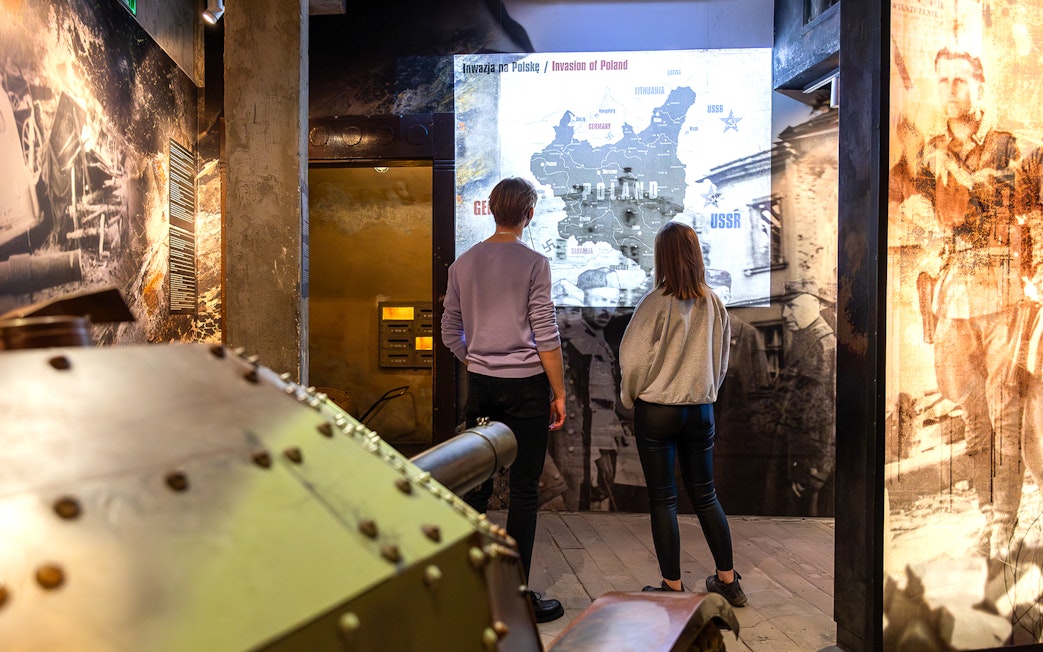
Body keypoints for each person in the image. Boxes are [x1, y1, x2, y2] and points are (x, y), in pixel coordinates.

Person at [895, 46, 1024, 561]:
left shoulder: (1007, 147)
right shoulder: (929, 151)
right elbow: (911, 203)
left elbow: (1018, 209)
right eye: (944, 80)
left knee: (1006, 411)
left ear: (980, 86)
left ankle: (1002, 523)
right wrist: (918, 206)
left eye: (961, 80)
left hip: (1002, 292)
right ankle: (984, 512)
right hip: (955, 299)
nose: (952, 89)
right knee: (974, 416)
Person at [440, 176, 567, 623]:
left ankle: (472, 590)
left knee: (477, 487)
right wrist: (559, 391)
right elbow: (545, 332)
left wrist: (475, 357)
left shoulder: (463, 263)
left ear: (492, 211)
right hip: (528, 386)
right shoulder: (535, 263)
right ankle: (515, 596)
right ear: (529, 214)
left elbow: (448, 330)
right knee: (524, 491)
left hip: (482, 386)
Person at [618, 221, 746, 607]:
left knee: (664, 499)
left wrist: (632, 396)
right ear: (695, 254)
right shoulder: (714, 301)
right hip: (700, 410)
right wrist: (706, 392)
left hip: (658, 411)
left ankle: (672, 588)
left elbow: (632, 358)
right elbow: (721, 360)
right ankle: (728, 581)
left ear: (662, 257)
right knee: (706, 495)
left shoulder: (655, 302)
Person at [768, 279, 837, 516]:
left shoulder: (822, 346)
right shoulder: (803, 339)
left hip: (808, 464)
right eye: (783, 306)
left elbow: (828, 414)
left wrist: (815, 470)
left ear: (815, 304)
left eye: (793, 306)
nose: (785, 313)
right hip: (795, 457)